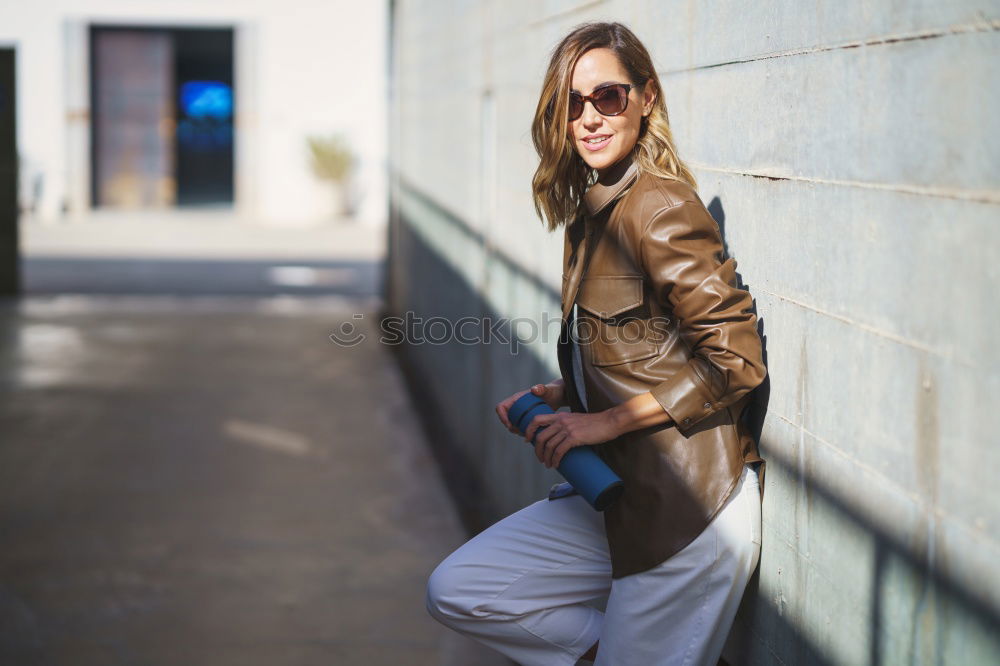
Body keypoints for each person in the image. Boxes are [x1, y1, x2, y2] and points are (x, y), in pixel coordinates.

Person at [425, 21, 767, 666]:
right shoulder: (594, 208)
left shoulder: (661, 207)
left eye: (607, 97)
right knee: (463, 589)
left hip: (685, 511)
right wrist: (570, 391)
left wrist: (603, 420)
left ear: (645, 98)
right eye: (571, 103)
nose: (588, 118)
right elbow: (647, 344)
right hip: (616, 494)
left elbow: (735, 358)